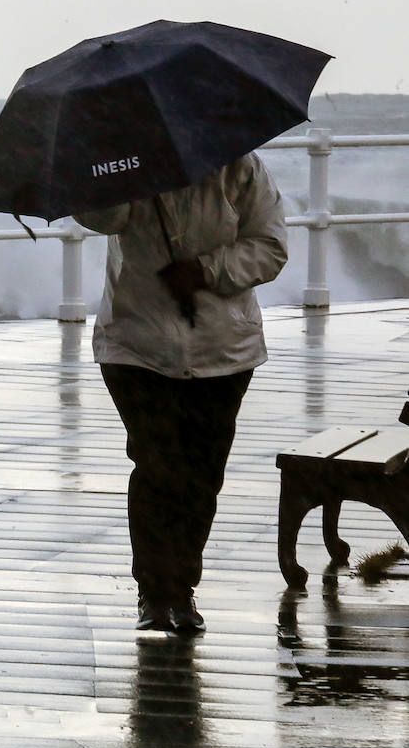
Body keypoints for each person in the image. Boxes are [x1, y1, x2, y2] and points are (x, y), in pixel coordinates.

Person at [74, 152, 287, 634]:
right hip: (135, 344)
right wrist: (121, 173)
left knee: (201, 472)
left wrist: (206, 270)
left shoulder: (241, 167)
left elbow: (270, 247)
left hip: (225, 347)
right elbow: (96, 216)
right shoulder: (123, 163)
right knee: (156, 464)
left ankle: (182, 586)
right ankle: (156, 591)